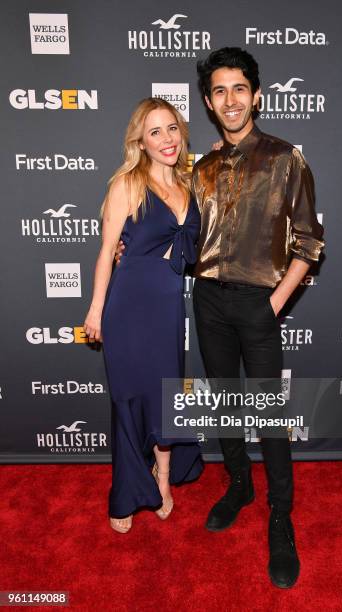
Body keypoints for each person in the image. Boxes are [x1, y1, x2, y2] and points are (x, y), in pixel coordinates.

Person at [191, 47, 325, 588]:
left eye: (239, 88)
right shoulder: (199, 168)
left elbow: (310, 241)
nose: (230, 99)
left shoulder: (285, 159)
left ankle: (280, 518)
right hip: (207, 300)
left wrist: (274, 302)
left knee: (269, 416)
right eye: (220, 90)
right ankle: (240, 484)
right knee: (224, 401)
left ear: (257, 96)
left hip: (259, 303)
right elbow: (184, 237)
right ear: (208, 102)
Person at [83, 97, 203, 534]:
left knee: (167, 397)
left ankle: (164, 479)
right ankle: (128, 491)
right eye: (155, 132)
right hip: (128, 306)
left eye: (172, 128)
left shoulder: (192, 186)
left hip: (168, 306)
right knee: (129, 400)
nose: (166, 139)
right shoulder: (128, 185)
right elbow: (105, 253)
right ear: (141, 141)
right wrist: (96, 309)